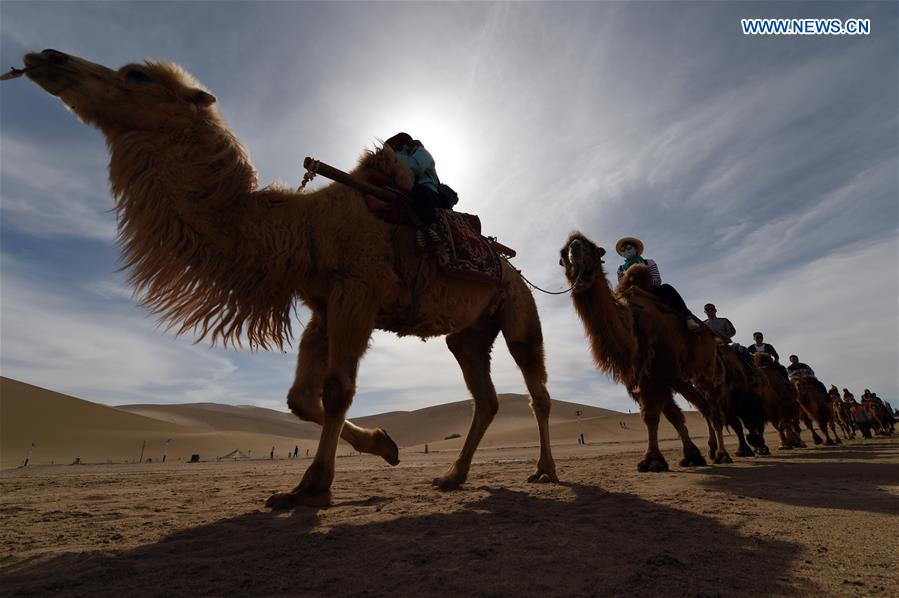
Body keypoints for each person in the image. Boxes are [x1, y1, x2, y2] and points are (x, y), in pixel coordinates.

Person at [615, 236, 700, 331]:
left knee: (667, 288)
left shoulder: (648, 262)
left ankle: (687, 317)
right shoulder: (620, 269)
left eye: (629, 248)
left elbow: (657, 280)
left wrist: (642, 285)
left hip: (651, 290)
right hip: (631, 293)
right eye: (623, 250)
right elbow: (621, 285)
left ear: (636, 249)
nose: (626, 251)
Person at [384, 132, 444, 248]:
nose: (395, 151)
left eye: (397, 147)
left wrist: (396, 155)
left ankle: (430, 229)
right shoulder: (406, 156)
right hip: (408, 191)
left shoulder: (422, 153)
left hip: (428, 191)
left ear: (404, 146)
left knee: (420, 192)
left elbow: (414, 167)